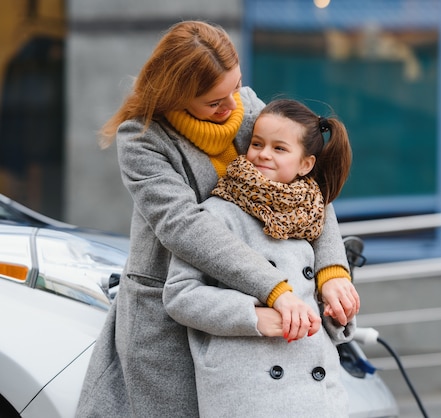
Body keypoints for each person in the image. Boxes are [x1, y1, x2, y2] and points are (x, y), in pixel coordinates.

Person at [76, 21, 359, 418]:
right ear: (176, 95)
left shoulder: (247, 108)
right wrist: (274, 288)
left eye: (236, 86)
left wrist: (332, 270)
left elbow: (307, 187)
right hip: (171, 314)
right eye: (214, 102)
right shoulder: (142, 140)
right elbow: (185, 227)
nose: (232, 105)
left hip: (269, 313)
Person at [163, 98, 355, 417]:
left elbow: (322, 314)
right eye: (257, 143)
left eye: (279, 148)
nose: (263, 154)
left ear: (305, 164)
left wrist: (338, 309)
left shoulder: (312, 217)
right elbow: (180, 295)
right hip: (248, 393)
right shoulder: (217, 213)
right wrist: (253, 316)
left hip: (318, 396)